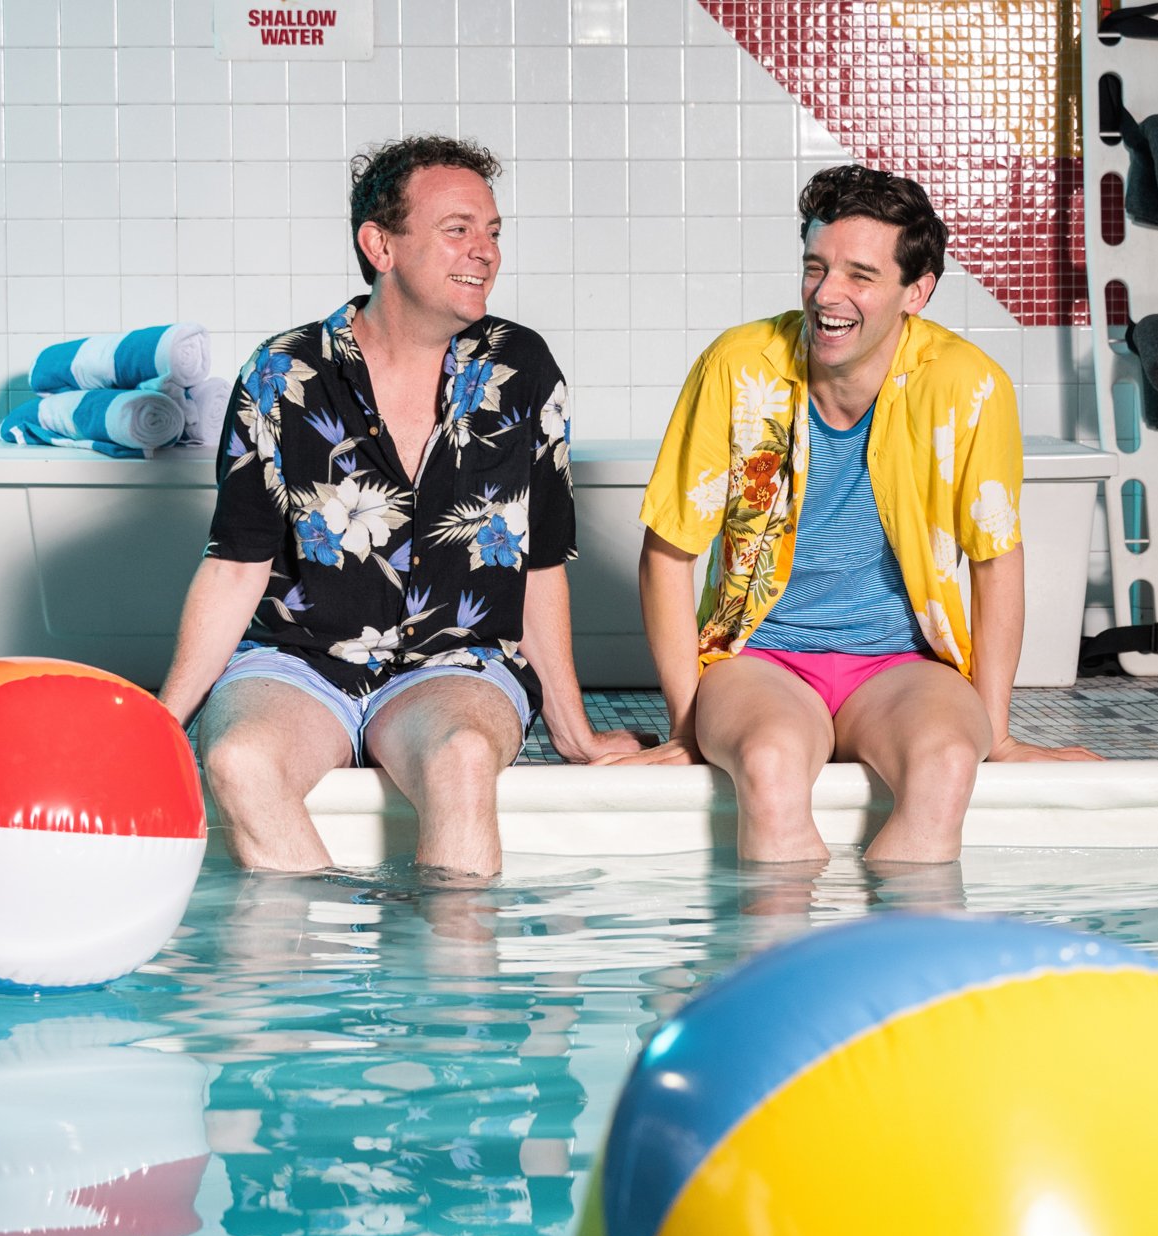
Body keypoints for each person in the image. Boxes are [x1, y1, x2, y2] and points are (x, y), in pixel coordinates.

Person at [159, 135, 641, 877]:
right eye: (458, 229)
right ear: (380, 245)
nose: (485, 251)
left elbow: (540, 563)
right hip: (301, 662)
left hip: (457, 663)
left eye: (492, 231)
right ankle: (331, 981)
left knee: (461, 759)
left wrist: (574, 732)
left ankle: (447, 991)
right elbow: (234, 568)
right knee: (240, 761)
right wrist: (163, 724)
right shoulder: (283, 372)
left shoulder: (523, 371)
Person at [635, 163, 1098, 864]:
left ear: (917, 291)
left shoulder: (968, 385)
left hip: (906, 664)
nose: (828, 294)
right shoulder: (739, 366)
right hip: (762, 660)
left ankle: (903, 966)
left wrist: (995, 733)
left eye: (860, 275)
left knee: (947, 766)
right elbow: (667, 553)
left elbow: (996, 560)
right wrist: (685, 726)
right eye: (815, 267)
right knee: (767, 764)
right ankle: (787, 968)